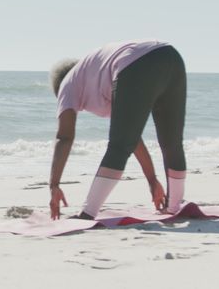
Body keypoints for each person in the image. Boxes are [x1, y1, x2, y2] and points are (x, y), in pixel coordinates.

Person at [46, 40, 187, 220]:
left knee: (118, 147)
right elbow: (132, 136)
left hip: (137, 63)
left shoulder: (67, 83)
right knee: (172, 143)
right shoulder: (95, 76)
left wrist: (54, 185)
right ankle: (174, 207)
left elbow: (64, 137)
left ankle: (87, 214)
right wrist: (152, 180)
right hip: (171, 57)